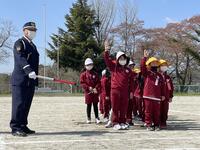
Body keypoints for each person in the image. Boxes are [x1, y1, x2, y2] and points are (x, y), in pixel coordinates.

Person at [10, 22, 39, 137]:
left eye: (34, 30)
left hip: (30, 81)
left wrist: (34, 78)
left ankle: (22, 125)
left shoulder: (33, 45)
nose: (33, 32)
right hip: (20, 80)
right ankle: (15, 127)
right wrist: (28, 70)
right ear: (25, 31)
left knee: (26, 104)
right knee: (19, 104)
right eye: (31, 30)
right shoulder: (20, 43)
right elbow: (20, 58)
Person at [104, 41, 134, 130]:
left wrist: (131, 91)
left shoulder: (128, 70)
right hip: (115, 90)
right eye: (120, 58)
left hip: (125, 91)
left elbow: (131, 82)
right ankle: (115, 122)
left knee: (124, 107)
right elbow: (107, 60)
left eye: (124, 58)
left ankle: (122, 122)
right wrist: (106, 51)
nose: (122, 60)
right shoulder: (114, 68)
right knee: (115, 107)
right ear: (117, 60)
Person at [140, 50, 165, 131]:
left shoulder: (159, 75)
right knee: (148, 111)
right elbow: (142, 67)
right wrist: (144, 57)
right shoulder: (147, 73)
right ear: (149, 64)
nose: (154, 64)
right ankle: (148, 124)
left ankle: (156, 124)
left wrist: (163, 95)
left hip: (157, 97)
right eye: (152, 63)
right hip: (148, 95)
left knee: (157, 112)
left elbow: (162, 86)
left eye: (156, 63)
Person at [80, 58, 101, 124]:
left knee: (95, 105)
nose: (89, 66)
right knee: (89, 105)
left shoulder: (96, 74)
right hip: (88, 92)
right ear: (85, 66)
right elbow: (82, 83)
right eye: (88, 65)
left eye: (91, 64)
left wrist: (96, 88)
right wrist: (88, 87)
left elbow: (98, 82)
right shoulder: (83, 74)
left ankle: (97, 118)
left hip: (95, 92)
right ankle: (88, 118)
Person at [159, 59, 174, 129]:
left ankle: (163, 122)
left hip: (166, 97)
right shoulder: (156, 76)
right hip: (158, 97)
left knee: (165, 110)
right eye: (162, 65)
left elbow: (171, 87)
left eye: (165, 65)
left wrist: (171, 96)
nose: (164, 67)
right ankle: (157, 122)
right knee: (158, 110)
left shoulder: (168, 77)